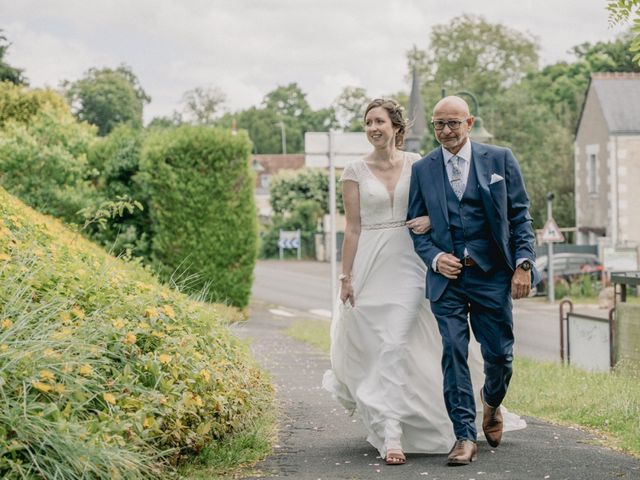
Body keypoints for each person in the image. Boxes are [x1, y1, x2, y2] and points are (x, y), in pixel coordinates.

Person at [322, 98, 525, 467]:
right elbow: (352, 228)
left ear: (396, 127)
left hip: (437, 267)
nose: (373, 128)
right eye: (368, 123)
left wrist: (435, 222)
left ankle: (477, 407)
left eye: (379, 121)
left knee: (465, 350)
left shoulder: (423, 163)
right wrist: (346, 276)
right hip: (392, 263)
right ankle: (415, 432)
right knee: (414, 346)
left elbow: (447, 207)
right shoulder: (366, 169)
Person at [407, 95, 539, 466]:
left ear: (469, 122)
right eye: (438, 125)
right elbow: (416, 227)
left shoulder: (499, 159)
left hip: (492, 274)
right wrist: (434, 257)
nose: (445, 131)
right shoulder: (424, 169)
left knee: (500, 355)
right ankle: (464, 436)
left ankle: (492, 402)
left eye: (453, 123)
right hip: (447, 281)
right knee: (452, 351)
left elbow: (520, 216)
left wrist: (524, 264)